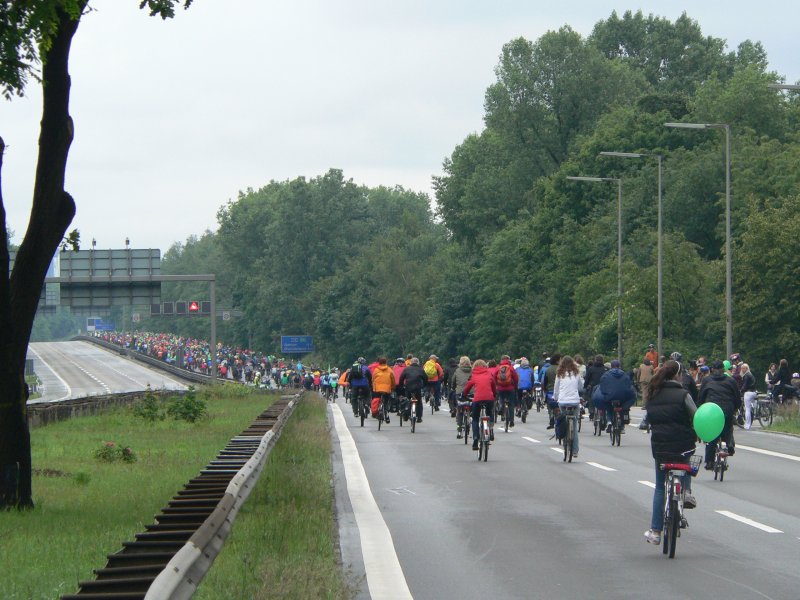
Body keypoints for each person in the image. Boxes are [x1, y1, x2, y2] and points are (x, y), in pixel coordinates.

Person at [643, 360, 698, 546]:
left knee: (660, 487)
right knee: (686, 461)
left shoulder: (653, 394)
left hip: (660, 447)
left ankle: (656, 531)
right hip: (682, 445)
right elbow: (696, 417)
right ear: (678, 375)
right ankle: (686, 492)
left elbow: (649, 418)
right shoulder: (684, 394)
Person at [698, 360, 742, 469]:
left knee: (711, 434)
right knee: (728, 428)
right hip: (727, 409)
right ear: (723, 369)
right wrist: (735, 408)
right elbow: (737, 397)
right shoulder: (731, 381)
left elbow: (701, 397)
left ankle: (709, 461)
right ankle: (730, 444)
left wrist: (701, 408)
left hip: (712, 412)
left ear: (712, 369)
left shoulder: (706, 380)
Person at [553, 355, 583, 459]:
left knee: (564, 420)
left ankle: (565, 440)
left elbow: (556, 388)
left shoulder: (559, 374)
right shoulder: (576, 373)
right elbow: (580, 387)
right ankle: (575, 451)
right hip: (575, 401)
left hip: (563, 402)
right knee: (574, 426)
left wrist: (555, 397)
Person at [463, 359, 497, 450]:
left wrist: (464, 395)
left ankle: (475, 438)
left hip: (477, 399)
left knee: (475, 418)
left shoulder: (474, 375)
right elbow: (494, 387)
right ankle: (490, 428)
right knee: (490, 413)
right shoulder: (489, 374)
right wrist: (494, 395)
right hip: (489, 399)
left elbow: (467, 387)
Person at [597, 359, 636, 433]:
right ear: (619, 366)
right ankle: (622, 426)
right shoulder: (624, 374)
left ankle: (609, 422)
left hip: (610, 396)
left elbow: (602, 386)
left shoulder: (606, 375)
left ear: (611, 366)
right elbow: (629, 385)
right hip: (623, 397)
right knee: (623, 405)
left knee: (609, 407)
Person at [495, 355, 519, 430]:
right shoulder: (511, 367)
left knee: (501, 398)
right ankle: (511, 420)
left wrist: (497, 385)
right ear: (508, 360)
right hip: (510, 388)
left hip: (501, 388)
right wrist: (515, 386)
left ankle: (501, 407)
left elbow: (494, 377)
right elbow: (516, 378)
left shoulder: (498, 367)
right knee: (511, 404)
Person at [399, 358, 428, 423]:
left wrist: (401, 386)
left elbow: (401, 378)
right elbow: (426, 379)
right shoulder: (421, 369)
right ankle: (419, 417)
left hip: (408, 388)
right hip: (417, 388)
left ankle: (406, 415)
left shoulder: (406, 369)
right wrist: (424, 386)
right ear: (418, 363)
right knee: (419, 402)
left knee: (408, 400)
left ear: (411, 363)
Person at [451, 356, 473, 438]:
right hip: (471, 393)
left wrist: (453, 388)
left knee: (460, 411)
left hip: (460, 393)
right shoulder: (473, 370)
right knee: (472, 408)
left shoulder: (457, 370)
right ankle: (470, 417)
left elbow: (453, 381)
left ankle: (459, 431)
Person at [371, 357, 396, 423]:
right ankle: (387, 416)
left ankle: (376, 412)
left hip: (377, 389)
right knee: (386, 402)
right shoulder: (389, 370)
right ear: (386, 362)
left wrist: (373, 387)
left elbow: (373, 379)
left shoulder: (376, 370)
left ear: (379, 363)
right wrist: (393, 387)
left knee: (377, 400)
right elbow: (393, 379)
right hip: (387, 389)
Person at [583, 355, 606, 420]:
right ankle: (603, 412)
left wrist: (585, 386)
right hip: (603, 387)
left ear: (595, 360)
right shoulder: (605, 369)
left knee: (591, 399)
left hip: (593, 387)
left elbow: (587, 379)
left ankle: (592, 411)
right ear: (602, 361)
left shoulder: (591, 369)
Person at [741, 363, 757, 430]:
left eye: (743, 368)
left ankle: (747, 425)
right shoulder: (751, 375)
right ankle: (756, 412)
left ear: (746, 368)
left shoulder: (746, 376)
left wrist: (740, 391)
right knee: (752, 405)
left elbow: (745, 386)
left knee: (747, 409)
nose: (742, 369)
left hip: (748, 392)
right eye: (741, 368)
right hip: (754, 392)